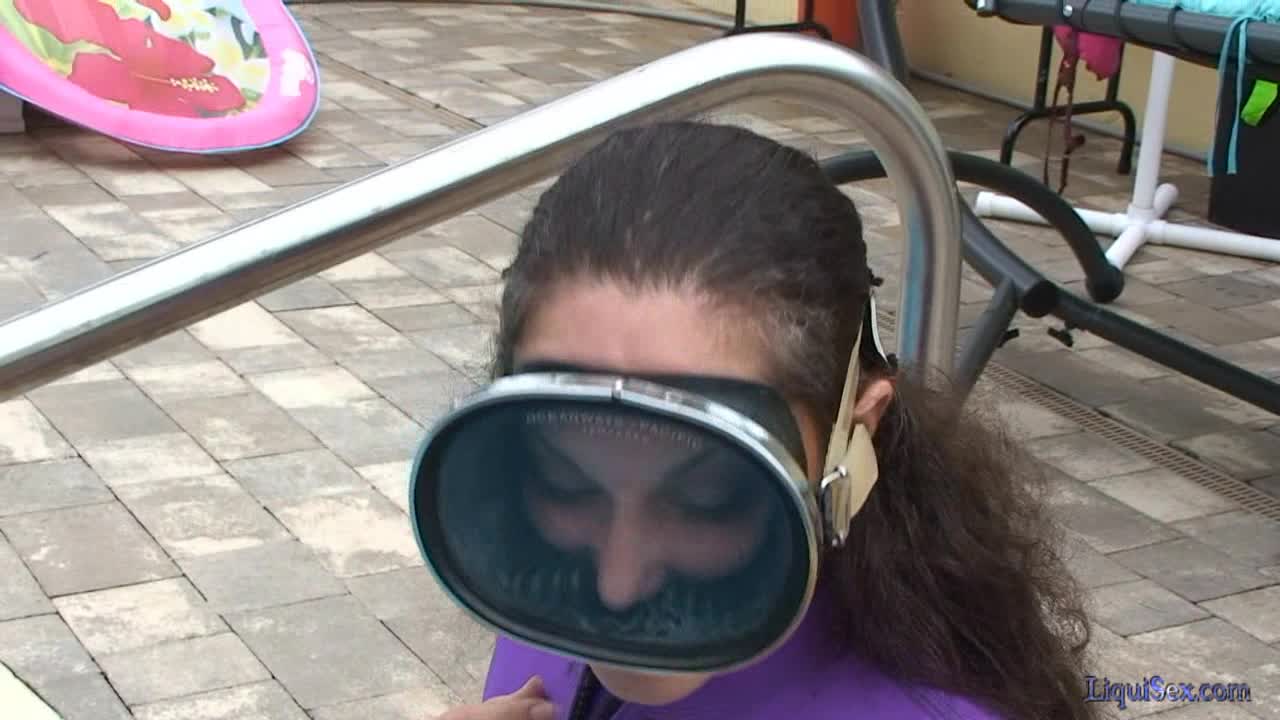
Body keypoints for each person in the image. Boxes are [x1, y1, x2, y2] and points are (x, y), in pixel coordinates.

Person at [419, 121, 1096, 720]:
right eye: (565, 483)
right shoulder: (546, 580)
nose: (615, 588)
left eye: (709, 499)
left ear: (855, 436)